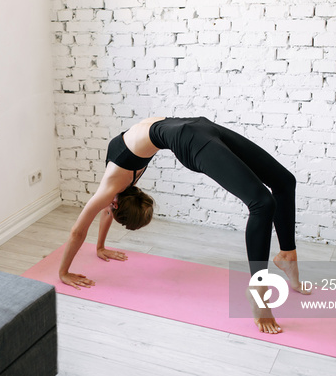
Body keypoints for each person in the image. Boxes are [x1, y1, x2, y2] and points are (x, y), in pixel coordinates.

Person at [58, 117, 310, 334]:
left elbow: (77, 231)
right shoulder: (116, 177)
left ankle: (287, 254)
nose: (106, 206)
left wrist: (64, 272)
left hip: (197, 131)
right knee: (263, 203)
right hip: (192, 131)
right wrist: (99, 246)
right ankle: (259, 291)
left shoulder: (111, 187)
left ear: (114, 205)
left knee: (284, 182)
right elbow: (104, 212)